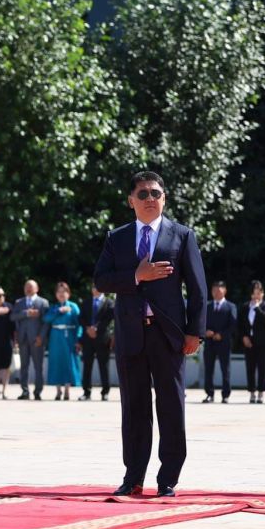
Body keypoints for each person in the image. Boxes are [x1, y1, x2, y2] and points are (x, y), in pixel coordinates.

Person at [94, 170, 207, 498]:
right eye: (142, 194)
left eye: (155, 193)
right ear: (131, 201)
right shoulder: (117, 238)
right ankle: (133, 477)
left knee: (172, 406)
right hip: (131, 335)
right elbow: (101, 280)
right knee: (134, 407)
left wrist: (194, 333)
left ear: (164, 198)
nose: (149, 199)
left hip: (168, 336)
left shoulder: (182, 235)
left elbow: (198, 289)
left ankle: (168, 478)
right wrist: (136, 275)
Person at [44, 282, 82, 400]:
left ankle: (67, 390)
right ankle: (58, 390)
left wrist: (78, 339)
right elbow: (46, 319)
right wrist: (59, 311)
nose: (61, 294)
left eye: (64, 292)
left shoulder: (74, 306)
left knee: (68, 362)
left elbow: (79, 324)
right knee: (56, 362)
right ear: (56, 294)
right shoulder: (54, 307)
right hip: (56, 337)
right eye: (59, 292)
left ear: (68, 294)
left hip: (69, 337)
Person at [12, 279, 49, 400]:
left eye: (31, 287)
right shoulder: (19, 302)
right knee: (24, 366)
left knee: (38, 367)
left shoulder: (43, 302)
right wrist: (26, 313)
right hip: (23, 339)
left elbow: (46, 322)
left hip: (37, 339)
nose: (28, 289)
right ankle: (25, 391)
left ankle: (38, 391)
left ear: (37, 289)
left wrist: (41, 337)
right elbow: (12, 317)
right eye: (26, 286)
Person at [238, 281, 265, 404]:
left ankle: (261, 392)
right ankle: (252, 392)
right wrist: (244, 337)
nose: (256, 296)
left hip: (263, 342)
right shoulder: (245, 307)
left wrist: (257, 307)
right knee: (250, 367)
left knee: (262, 368)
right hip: (249, 341)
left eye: (259, 293)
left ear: (263, 294)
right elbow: (241, 324)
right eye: (254, 293)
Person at [202, 281, 237, 403]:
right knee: (208, 369)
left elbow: (233, 325)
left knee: (225, 369)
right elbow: (201, 322)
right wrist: (205, 332)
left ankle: (225, 395)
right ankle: (209, 394)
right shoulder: (207, 306)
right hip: (209, 342)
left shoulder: (230, 307)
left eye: (219, 290)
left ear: (224, 291)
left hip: (224, 343)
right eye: (214, 291)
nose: (216, 293)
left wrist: (221, 334)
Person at [79, 285, 115, 401]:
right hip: (88, 338)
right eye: (94, 287)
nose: (96, 289)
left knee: (104, 366)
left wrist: (96, 329)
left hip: (102, 338)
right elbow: (81, 318)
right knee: (87, 365)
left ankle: (105, 392)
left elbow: (109, 318)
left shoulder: (109, 302)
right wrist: (88, 328)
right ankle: (86, 392)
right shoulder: (86, 302)